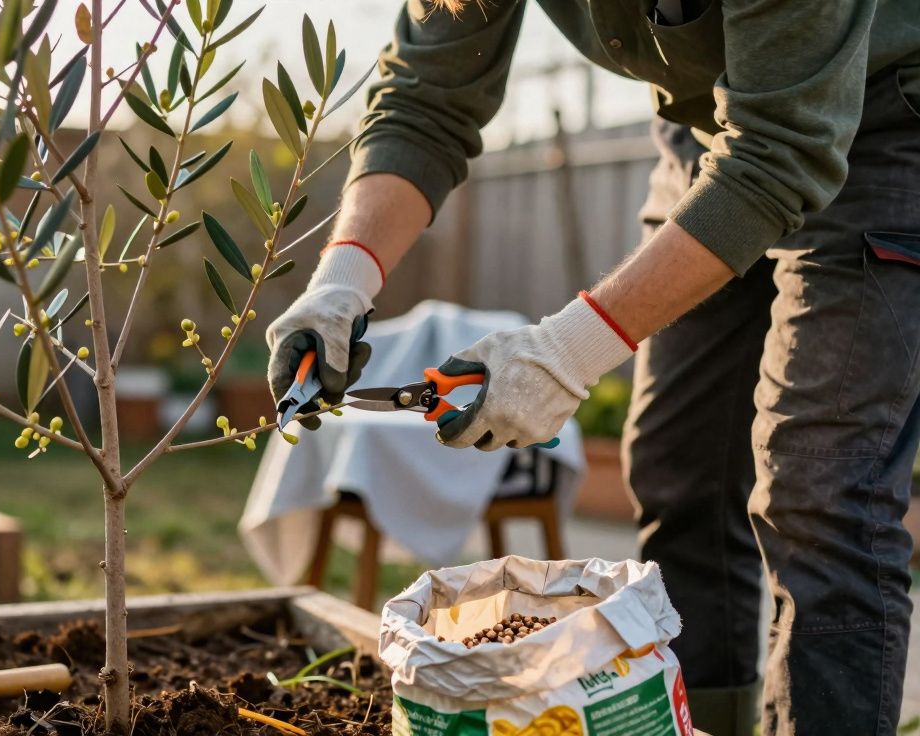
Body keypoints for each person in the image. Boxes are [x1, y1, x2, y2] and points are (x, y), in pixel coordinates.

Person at [265, 1, 920, 734]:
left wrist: (567, 353)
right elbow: (425, 98)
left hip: (886, 118)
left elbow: (781, 151)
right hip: (711, 132)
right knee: (682, 475)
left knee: (821, 495)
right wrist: (342, 281)